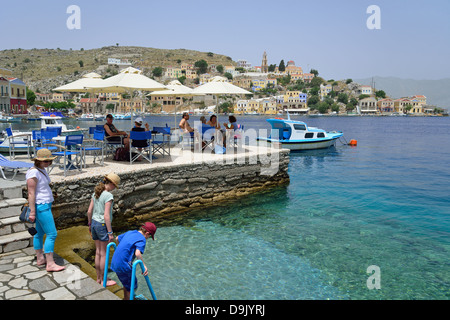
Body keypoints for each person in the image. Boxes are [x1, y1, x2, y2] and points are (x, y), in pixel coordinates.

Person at [26, 149, 65, 272]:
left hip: (44, 205)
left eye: (49, 160)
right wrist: (32, 212)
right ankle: (50, 263)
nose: (48, 162)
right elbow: (31, 193)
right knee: (52, 234)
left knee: (39, 233)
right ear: (38, 160)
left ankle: (40, 259)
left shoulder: (40, 170)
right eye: (45, 160)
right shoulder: (33, 173)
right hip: (41, 206)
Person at [87, 173, 120, 286]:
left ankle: (98, 278)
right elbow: (106, 216)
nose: (114, 188)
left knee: (98, 253)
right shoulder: (108, 196)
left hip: (94, 224)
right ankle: (104, 280)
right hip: (102, 226)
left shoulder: (96, 193)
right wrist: (110, 232)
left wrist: (90, 224)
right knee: (104, 254)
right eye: (115, 186)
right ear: (111, 183)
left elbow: (89, 211)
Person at [111, 222, 157, 300]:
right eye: (149, 236)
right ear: (147, 233)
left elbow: (117, 238)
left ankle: (127, 297)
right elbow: (137, 253)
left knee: (127, 284)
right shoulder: (142, 239)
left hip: (114, 262)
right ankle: (128, 298)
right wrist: (144, 266)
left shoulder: (131, 232)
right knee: (133, 285)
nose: (148, 238)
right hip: (123, 265)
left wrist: (123, 251)